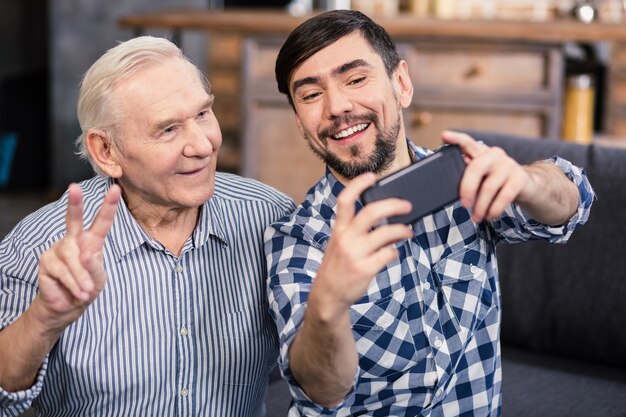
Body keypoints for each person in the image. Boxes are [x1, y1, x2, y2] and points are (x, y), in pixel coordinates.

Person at [265, 10, 595, 416]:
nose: (336, 106)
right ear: (300, 123)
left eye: (355, 79)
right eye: (311, 95)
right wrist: (327, 306)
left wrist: (529, 181)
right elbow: (320, 392)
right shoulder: (299, 238)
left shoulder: (463, 180)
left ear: (401, 85)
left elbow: (574, 203)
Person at [0, 36, 295, 417]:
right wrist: (42, 321)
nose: (203, 145)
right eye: (168, 129)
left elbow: (299, 372)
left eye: (203, 114)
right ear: (106, 152)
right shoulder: (39, 245)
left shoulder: (269, 218)